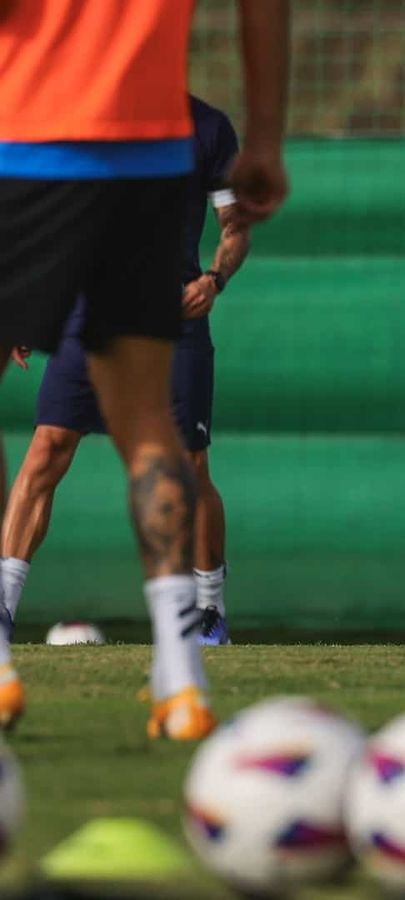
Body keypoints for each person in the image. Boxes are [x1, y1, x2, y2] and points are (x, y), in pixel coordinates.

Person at [0, 0, 290, 737]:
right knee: (143, 422)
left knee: (180, 449)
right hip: (146, 160)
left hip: (29, 137)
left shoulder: (207, 130)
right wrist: (268, 134)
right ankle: (182, 680)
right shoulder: (201, 130)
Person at [2, 95, 250, 654]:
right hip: (85, 314)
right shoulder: (85, 116)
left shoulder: (208, 128)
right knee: (47, 448)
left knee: (188, 465)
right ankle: (3, 607)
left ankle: (209, 607)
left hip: (171, 316)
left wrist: (214, 278)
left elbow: (234, 225)